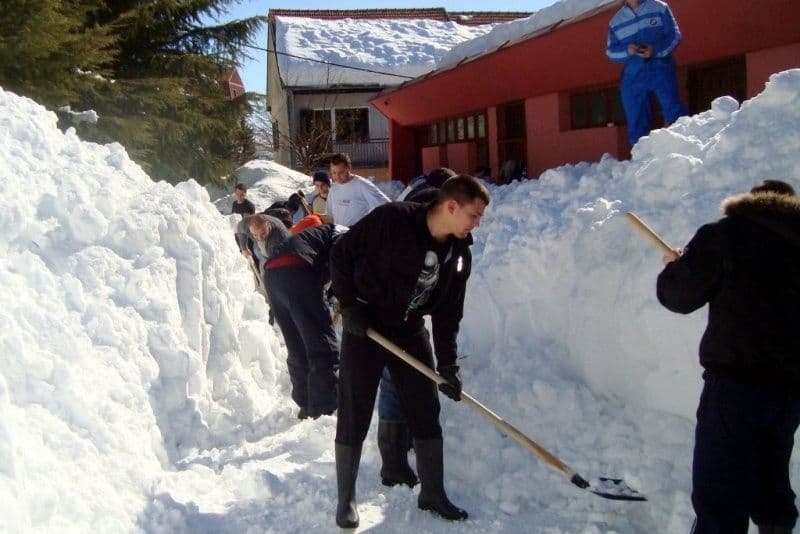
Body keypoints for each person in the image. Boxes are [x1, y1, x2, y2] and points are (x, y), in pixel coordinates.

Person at [330, 174, 490, 528]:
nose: (477, 223)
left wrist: (448, 365)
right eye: (474, 215)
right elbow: (342, 253)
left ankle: (432, 493)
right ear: (452, 206)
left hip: (410, 329)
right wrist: (350, 306)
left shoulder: (458, 252)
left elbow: (449, 312)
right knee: (355, 409)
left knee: (424, 408)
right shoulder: (393, 219)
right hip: (366, 327)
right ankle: (346, 499)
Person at [656, 179, 800, 534]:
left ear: (751, 202)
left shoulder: (726, 235)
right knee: (772, 487)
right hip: (789, 392)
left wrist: (677, 269)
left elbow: (680, 297)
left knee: (719, 496)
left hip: (735, 387)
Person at [265, 224, 347, 420]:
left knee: (297, 343)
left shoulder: (316, 235)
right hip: (296, 270)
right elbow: (340, 260)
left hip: (272, 274)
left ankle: (305, 402)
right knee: (320, 342)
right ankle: (325, 407)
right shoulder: (344, 232)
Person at [606, 0, 689, 147]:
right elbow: (611, 52)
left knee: (674, 110)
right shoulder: (615, 22)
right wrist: (627, 50)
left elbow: (674, 35)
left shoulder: (659, 7)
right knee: (636, 119)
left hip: (661, 68)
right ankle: (639, 159)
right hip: (633, 75)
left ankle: (683, 149)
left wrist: (654, 49)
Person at [324, 152, 390, 226]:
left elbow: (386, 205)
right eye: (334, 173)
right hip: (339, 234)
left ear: (349, 167)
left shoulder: (362, 185)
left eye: (341, 172)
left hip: (357, 234)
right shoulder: (333, 188)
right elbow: (329, 215)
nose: (337, 177)